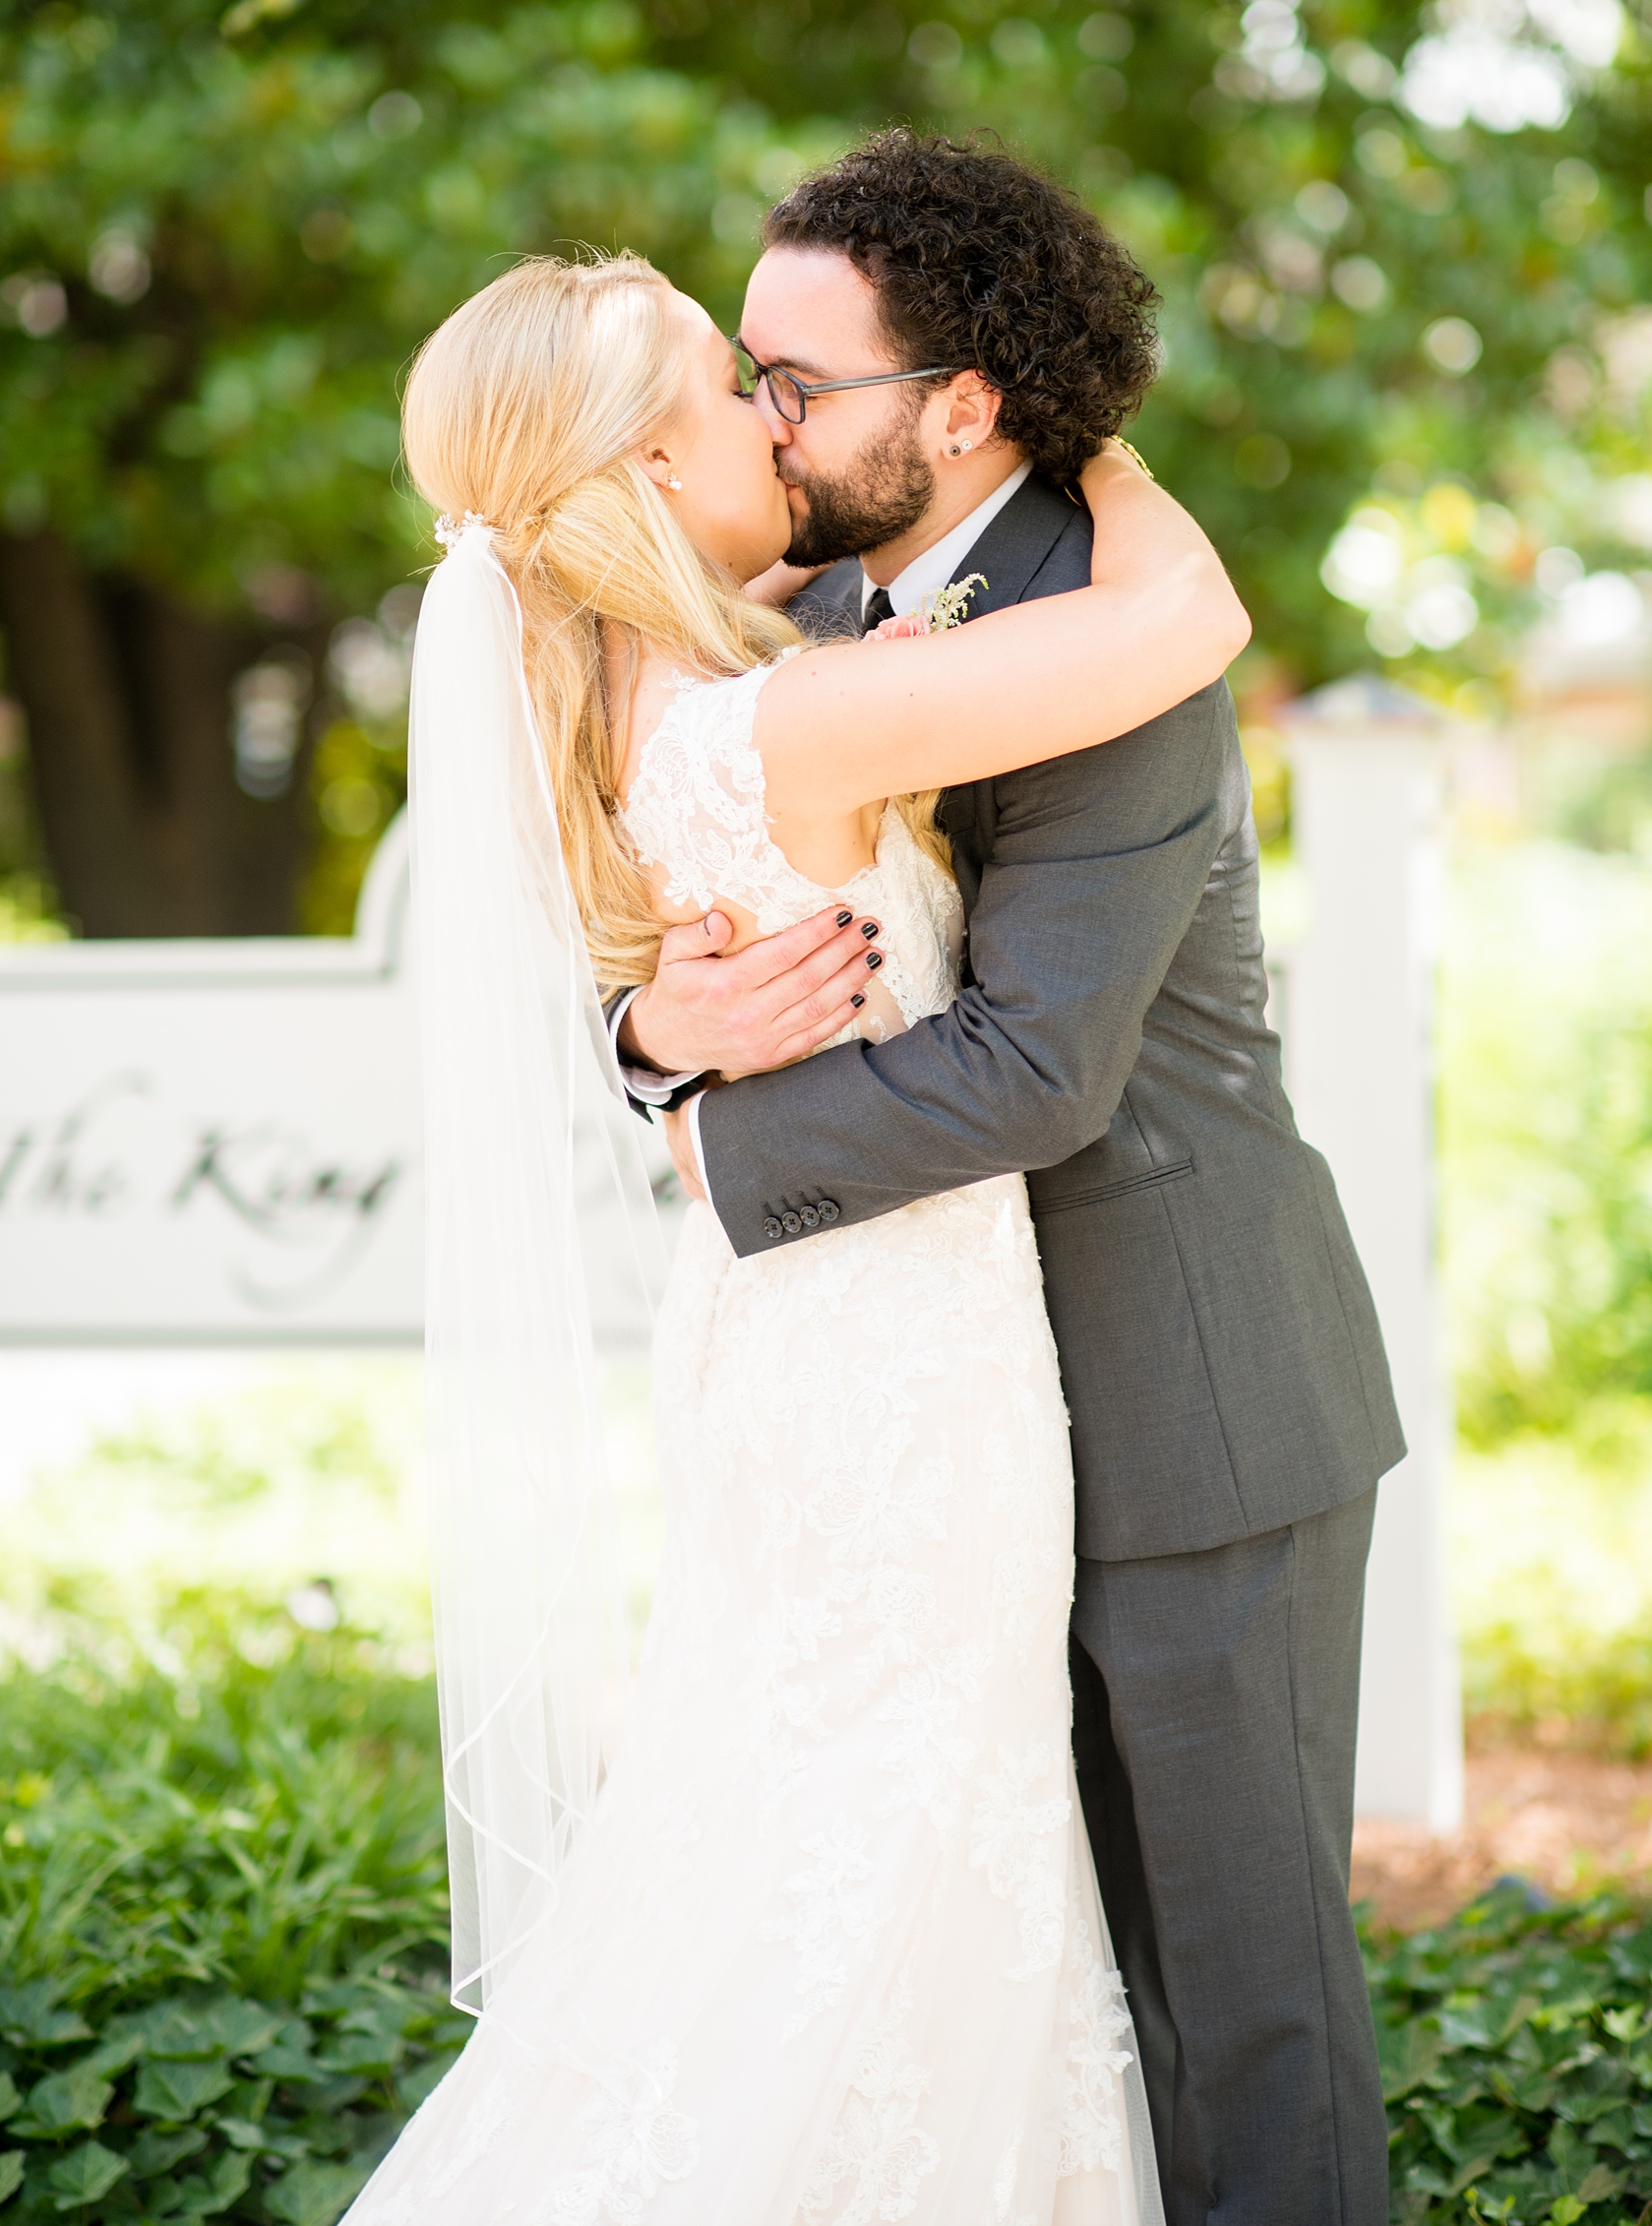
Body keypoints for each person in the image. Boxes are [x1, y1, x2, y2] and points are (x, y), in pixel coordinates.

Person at [345, 228, 1247, 2226]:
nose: (775, 415)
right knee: (895, 1849)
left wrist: (651, 1048)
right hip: (901, 1376)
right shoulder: (787, 723)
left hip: (788, 1342)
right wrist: (1092, 452)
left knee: (794, 1829)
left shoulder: (620, 702)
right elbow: (1182, 620)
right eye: (724, 386)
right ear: (654, 474)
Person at [615, 132, 1407, 2226]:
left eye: (796, 380)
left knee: (1235, 2010)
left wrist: (715, 1142)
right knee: (1037, 1999)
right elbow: (677, 907)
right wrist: (646, 1042)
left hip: (1187, 1401)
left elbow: (1044, 1063)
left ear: (957, 403)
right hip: (944, 1427)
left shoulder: (1109, 633)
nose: (763, 422)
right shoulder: (824, 605)